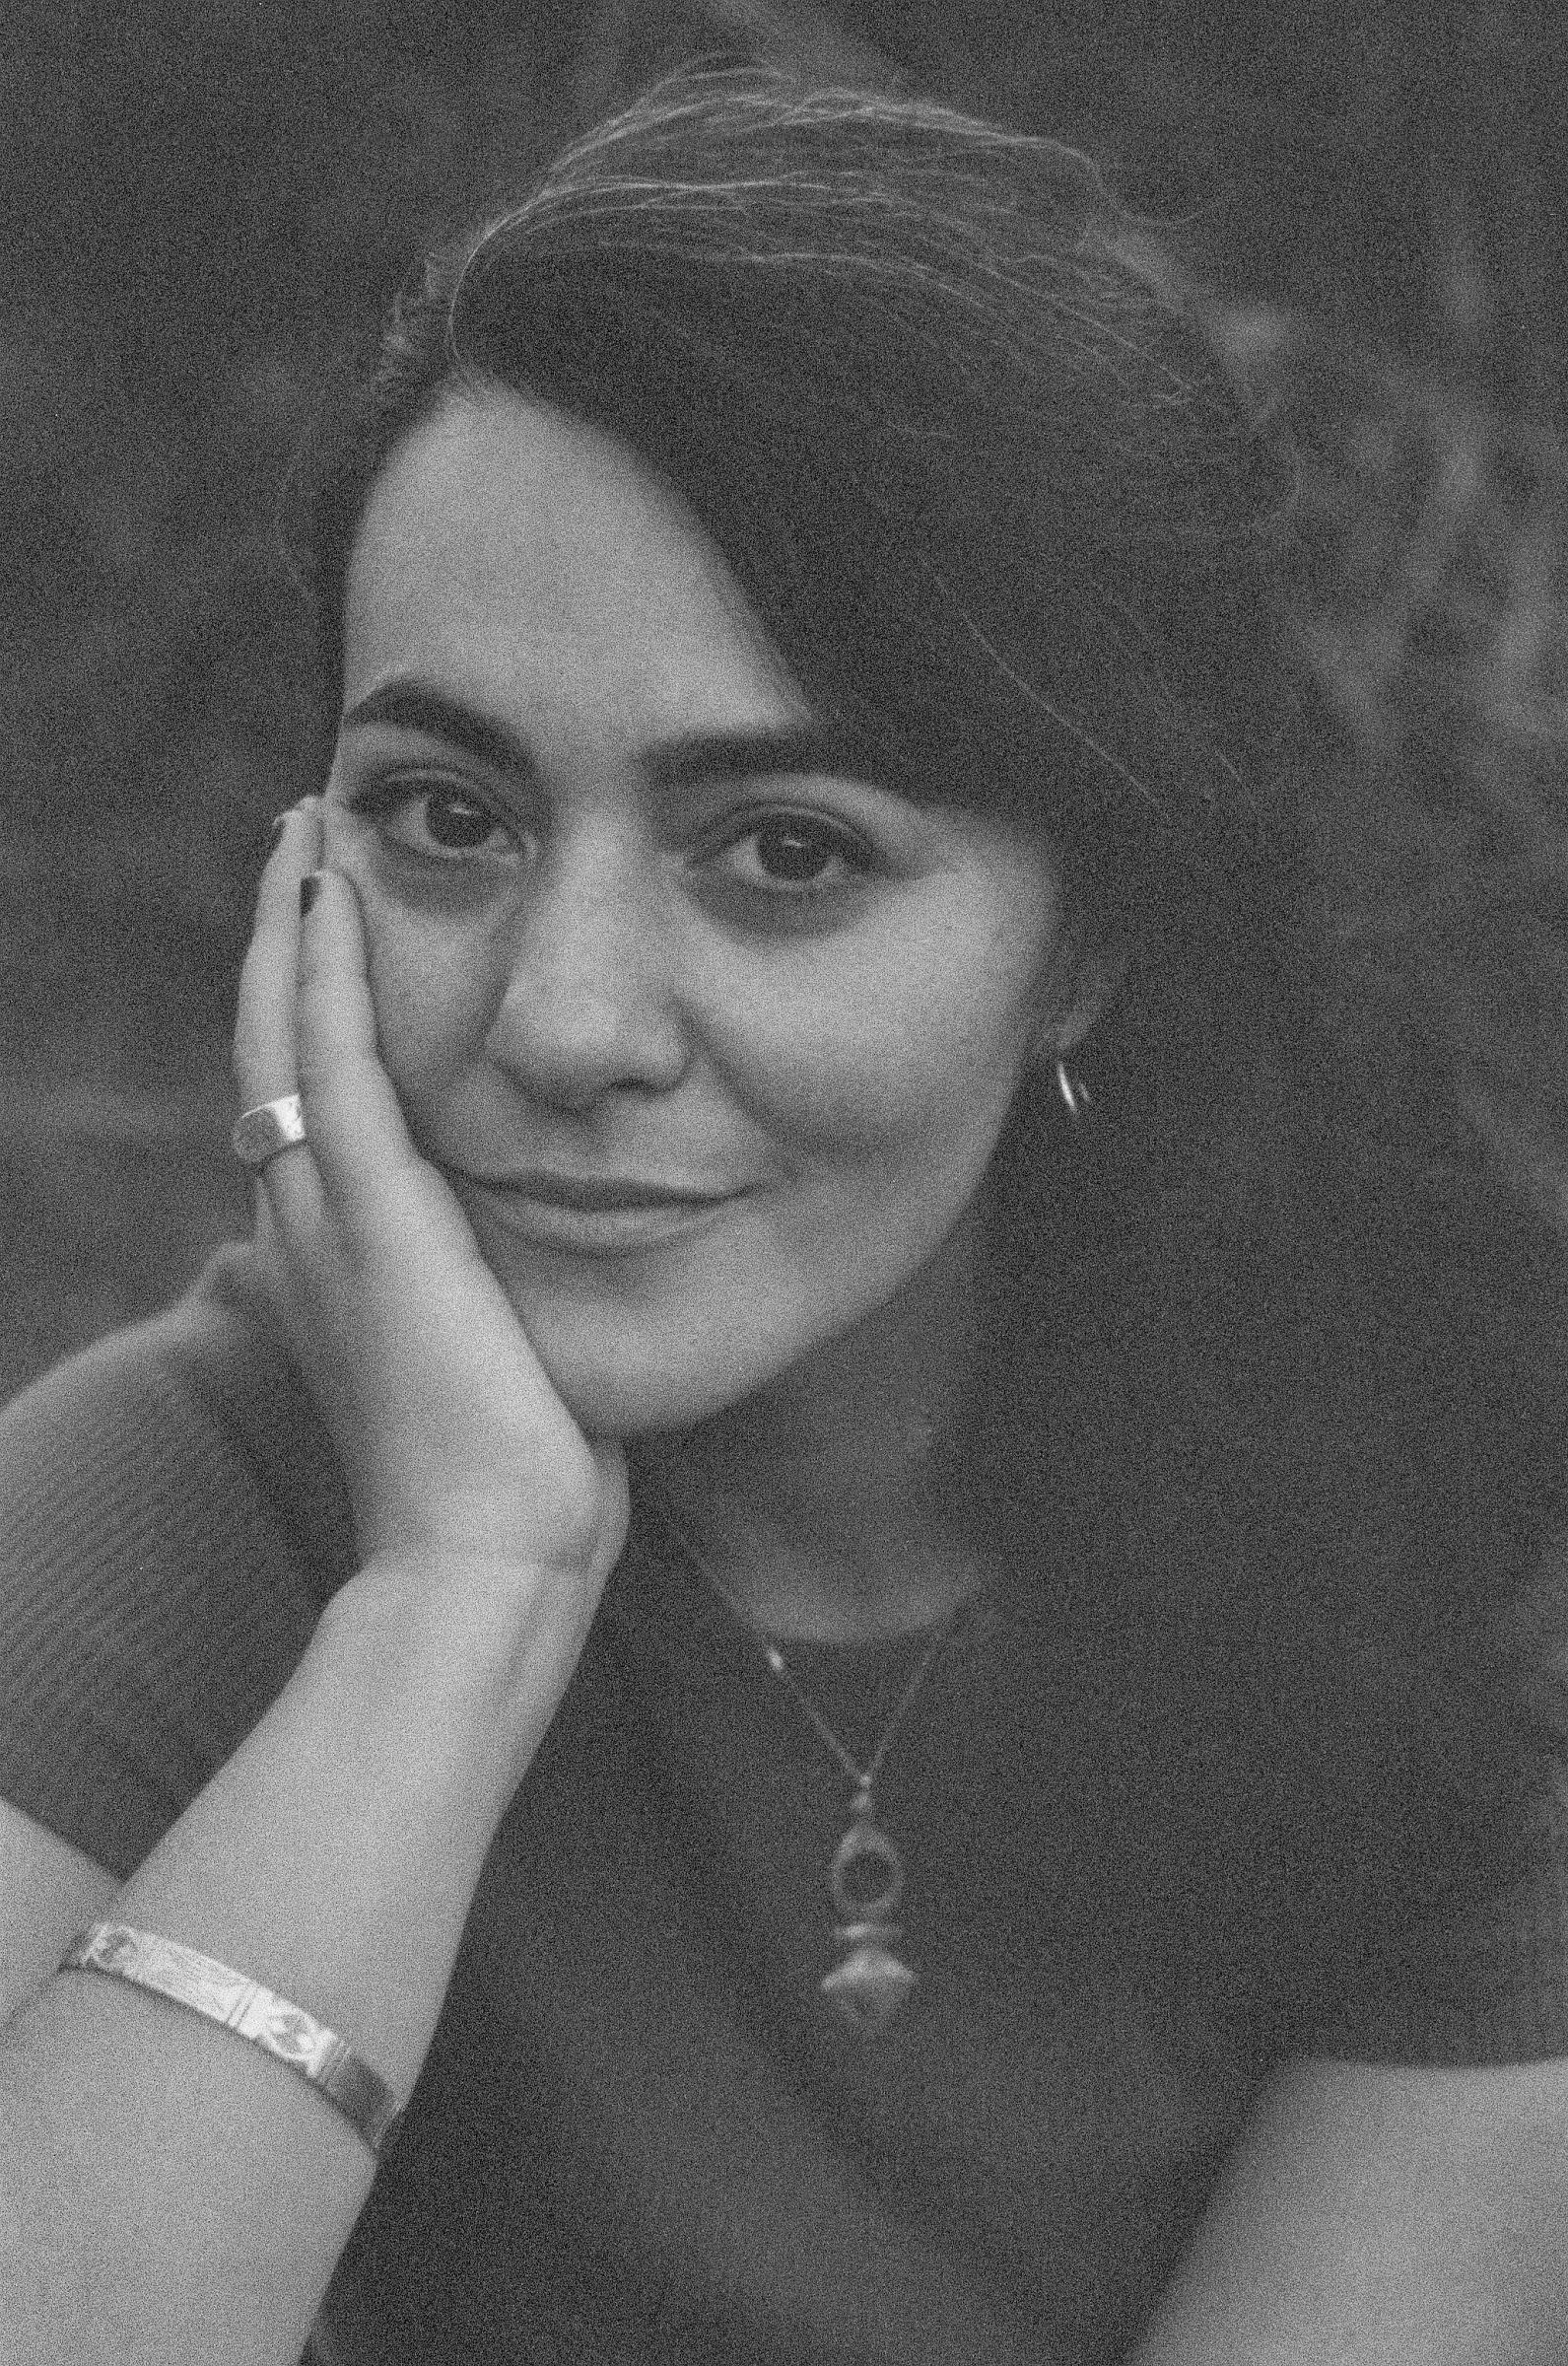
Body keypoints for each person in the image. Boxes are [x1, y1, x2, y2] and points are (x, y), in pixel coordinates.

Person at [2, 67, 1566, 2366]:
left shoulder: (1457, 1559)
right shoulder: (165, 1509)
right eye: (445, 815)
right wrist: (453, 1602)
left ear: (1090, 940)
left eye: (787, 852)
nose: (564, 1020)